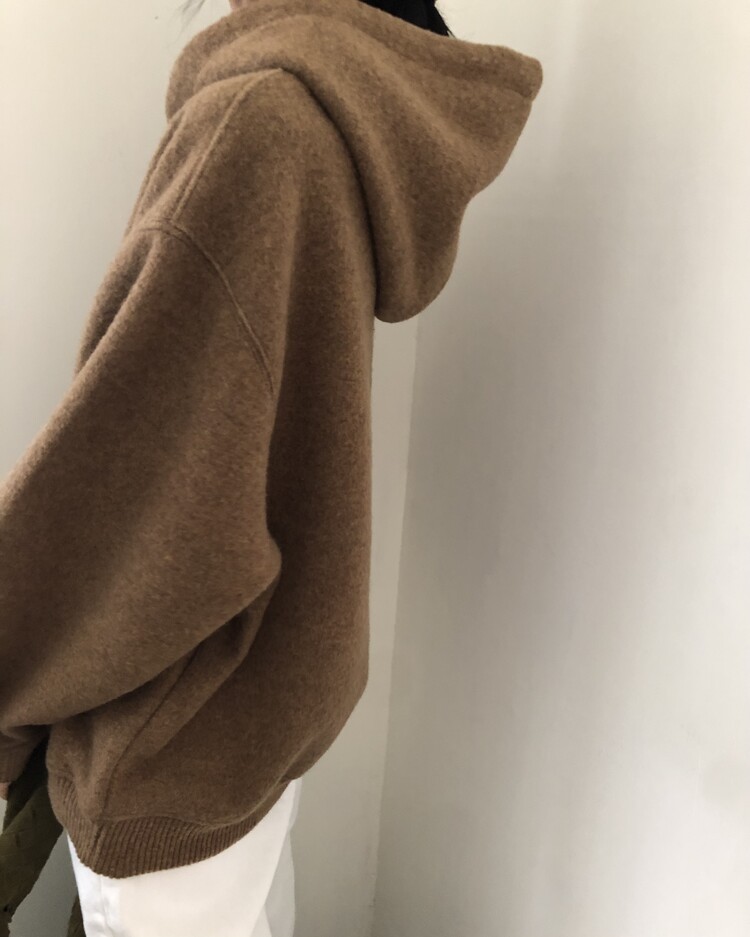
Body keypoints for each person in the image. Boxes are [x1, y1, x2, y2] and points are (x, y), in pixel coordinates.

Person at [0, 0, 542, 933]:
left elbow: (137, 493)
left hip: (176, 742)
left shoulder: (256, 125)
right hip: (259, 712)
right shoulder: (334, 117)